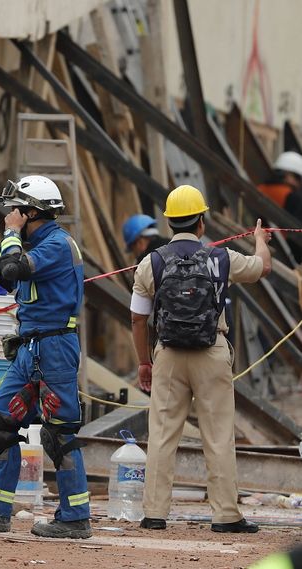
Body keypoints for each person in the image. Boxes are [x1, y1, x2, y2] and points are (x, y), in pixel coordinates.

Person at [0, 175, 91, 539]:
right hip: (31, 348)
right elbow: (4, 275)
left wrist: (11, 233)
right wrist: (11, 240)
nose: (10, 215)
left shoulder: (56, 244)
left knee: (58, 433)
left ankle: (75, 518)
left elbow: (12, 268)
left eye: (16, 210)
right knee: (0, 422)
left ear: (31, 213)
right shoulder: (38, 247)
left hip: (55, 349)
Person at [131, 185, 271, 533]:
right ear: (201, 223)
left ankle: (154, 513)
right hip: (212, 352)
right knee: (218, 435)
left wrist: (144, 361)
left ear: (169, 222)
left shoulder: (151, 262)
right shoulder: (221, 258)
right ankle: (226, 515)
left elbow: (137, 318)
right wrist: (260, 240)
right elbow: (262, 268)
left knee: (162, 434)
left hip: (169, 355)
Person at [257, 151, 302, 220]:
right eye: (298, 178)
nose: (299, 184)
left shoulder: (259, 189)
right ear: (288, 175)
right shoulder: (293, 196)